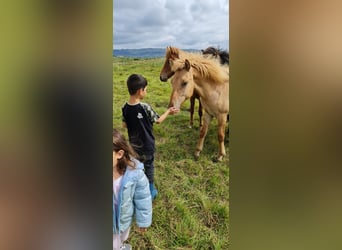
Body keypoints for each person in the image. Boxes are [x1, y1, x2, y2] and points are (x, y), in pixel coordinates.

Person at [122, 74, 179, 200]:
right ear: (140, 91)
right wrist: (169, 111)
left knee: (137, 166)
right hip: (147, 145)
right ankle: (150, 190)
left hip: (133, 146)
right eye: (146, 89)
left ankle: (137, 187)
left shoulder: (124, 108)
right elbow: (158, 120)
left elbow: (124, 125)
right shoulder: (145, 107)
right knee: (149, 167)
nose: (146, 92)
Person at [113, 129, 152, 250]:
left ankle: (121, 245)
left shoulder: (134, 174)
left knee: (122, 237)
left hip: (123, 219)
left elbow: (143, 198)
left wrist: (143, 221)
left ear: (119, 154)